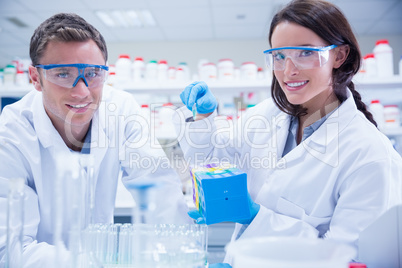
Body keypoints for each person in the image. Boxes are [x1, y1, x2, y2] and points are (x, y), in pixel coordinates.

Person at [174, 0, 402, 266]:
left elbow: (347, 258)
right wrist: (203, 118)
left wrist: (255, 216)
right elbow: (212, 161)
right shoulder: (267, 115)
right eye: (279, 56)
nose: (288, 70)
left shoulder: (370, 155)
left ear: (339, 56)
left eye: (305, 53)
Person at [0, 13, 190, 266]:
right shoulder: (11, 134)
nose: (81, 91)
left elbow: (160, 190)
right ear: (36, 78)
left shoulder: (121, 108)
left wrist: (180, 254)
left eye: (92, 73)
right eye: (62, 74)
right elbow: (9, 249)